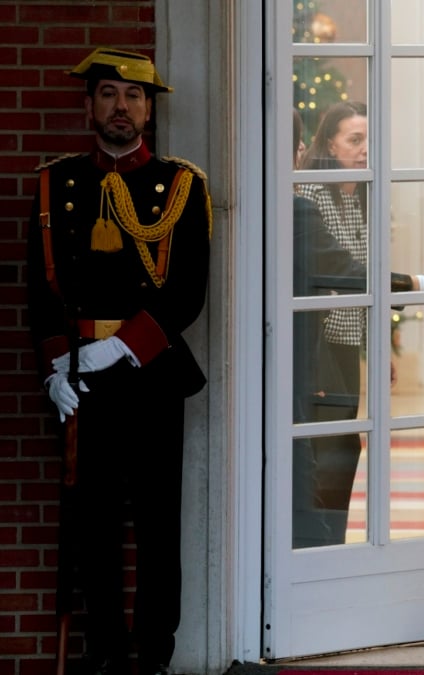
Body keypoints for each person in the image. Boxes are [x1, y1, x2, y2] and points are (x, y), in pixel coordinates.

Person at [25, 48, 211, 675]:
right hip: (79, 382)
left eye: (134, 97)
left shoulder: (182, 185)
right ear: (90, 106)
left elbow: (187, 291)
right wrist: (56, 367)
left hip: (149, 376)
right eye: (108, 94)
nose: (121, 108)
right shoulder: (55, 182)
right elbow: (37, 286)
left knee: (158, 530)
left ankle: (154, 656)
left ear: (149, 111)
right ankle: (104, 654)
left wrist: (119, 346)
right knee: (92, 528)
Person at [292, 102, 424, 547]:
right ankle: (317, 550)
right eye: (354, 140)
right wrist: (417, 282)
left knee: (343, 450)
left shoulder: (364, 193)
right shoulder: (311, 192)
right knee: (333, 450)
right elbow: (343, 270)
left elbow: (368, 273)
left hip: (345, 343)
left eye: (369, 140)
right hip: (316, 345)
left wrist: (381, 344)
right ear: (330, 144)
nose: (364, 150)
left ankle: (333, 548)